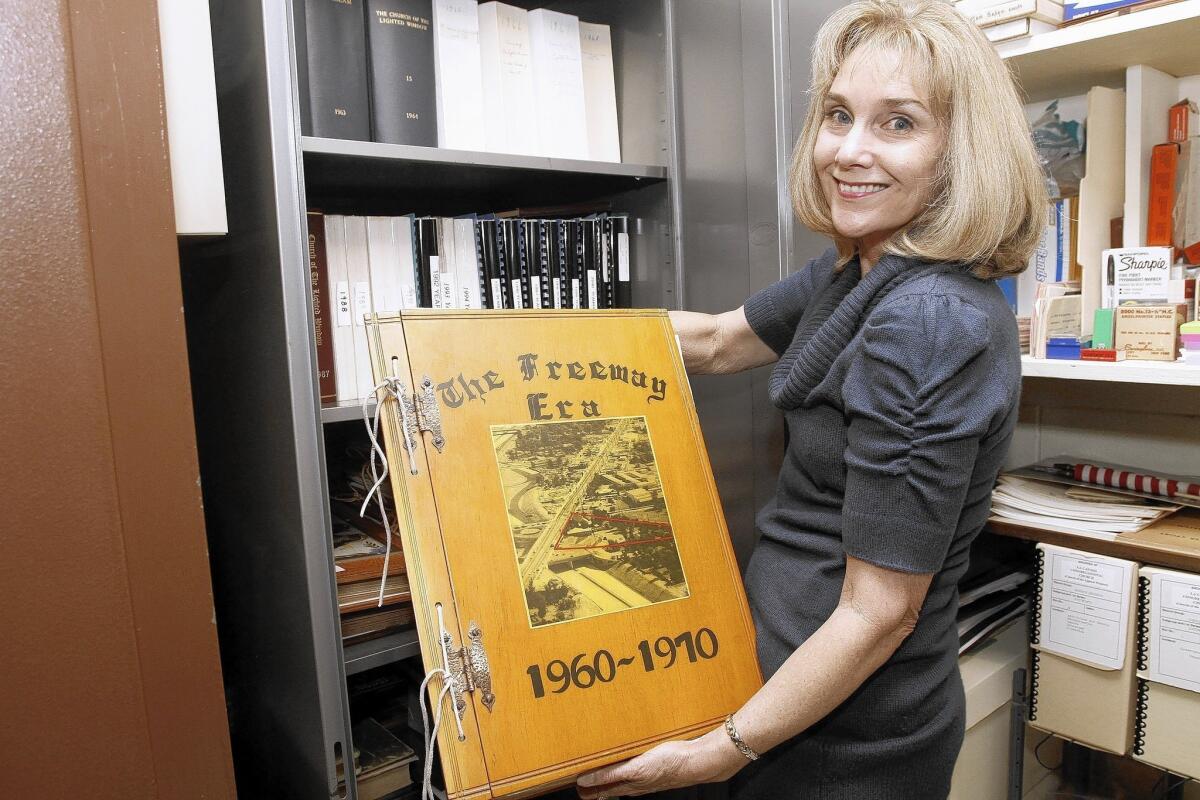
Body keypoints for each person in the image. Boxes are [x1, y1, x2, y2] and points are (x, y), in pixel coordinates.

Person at [576, 1, 1046, 798]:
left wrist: (720, 750)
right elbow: (720, 340)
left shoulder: (926, 322)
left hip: (844, 747)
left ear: (959, 152)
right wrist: (510, 339)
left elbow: (879, 613)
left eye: (897, 123)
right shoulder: (863, 268)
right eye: (838, 115)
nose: (848, 151)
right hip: (782, 695)